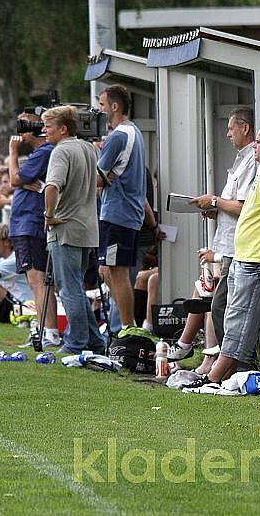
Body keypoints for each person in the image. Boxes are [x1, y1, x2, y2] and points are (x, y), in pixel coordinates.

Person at [184, 122, 260, 390]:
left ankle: (215, 376)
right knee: (235, 314)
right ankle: (233, 374)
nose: (254, 147)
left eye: (258, 142)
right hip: (247, 254)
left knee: (240, 317)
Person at [167, 107, 258, 373]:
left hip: (237, 246)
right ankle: (219, 361)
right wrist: (215, 208)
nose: (227, 133)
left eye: (231, 128)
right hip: (227, 244)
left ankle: (231, 364)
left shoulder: (252, 159)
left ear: (245, 128)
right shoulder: (242, 158)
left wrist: (215, 201)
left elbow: (243, 206)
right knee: (217, 304)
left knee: (223, 307)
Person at [42, 105, 106, 355]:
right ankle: (96, 342)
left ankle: (75, 343)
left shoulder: (60, 151)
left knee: (68, 290)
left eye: (48, 126)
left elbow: (52, 186)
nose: (44, 131)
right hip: (87, 229)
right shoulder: (87, 147)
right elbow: (101, 180)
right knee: (76, 288)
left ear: (62, 129)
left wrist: (49, 215)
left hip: (66, 229)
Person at [96, 84, 147, 334]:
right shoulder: (133, 131)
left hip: (118, 212)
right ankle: (122, 325)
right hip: (124, 212)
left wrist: (98, 173)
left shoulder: (118, 135)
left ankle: (128, 327)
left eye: (102, 106)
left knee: (117, 272)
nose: (99, 111)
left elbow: (96, 178)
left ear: (115, 107)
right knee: (106, 269)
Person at [8, 112, 59, 348]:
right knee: (39, 280)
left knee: (38, 280)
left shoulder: (44, 152)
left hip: (29, 223)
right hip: (28, 223)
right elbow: (20, 180)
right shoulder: (44, 153)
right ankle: (46, 331)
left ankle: (47, 332)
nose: (19, 132)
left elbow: (14, 179)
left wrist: (12, 153)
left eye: (23, 125)